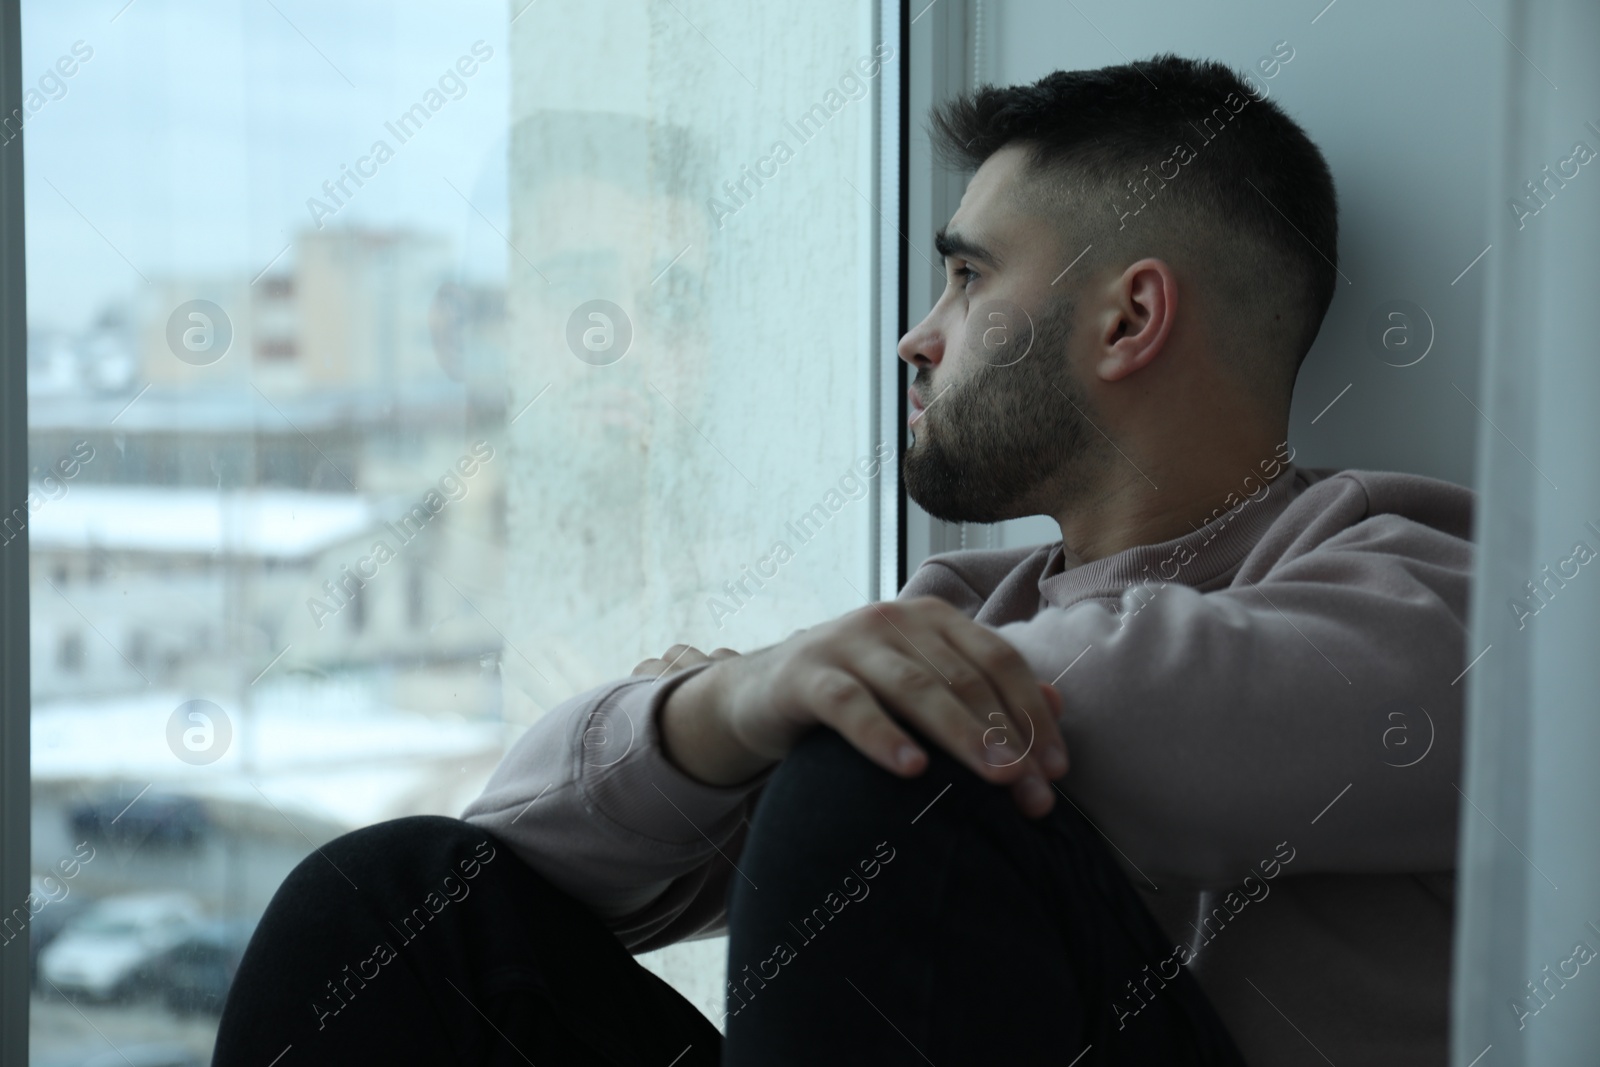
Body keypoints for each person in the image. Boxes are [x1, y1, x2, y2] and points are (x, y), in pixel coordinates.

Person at [214, 53, 1472, 1066]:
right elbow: (516, 845)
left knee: (894, 764)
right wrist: (733, 704)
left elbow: (1151, 705)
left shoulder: (1435, 591)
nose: (916, 339)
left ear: (1129, 318)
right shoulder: (964, 610)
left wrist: (806, 696)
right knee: (390, 903)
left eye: (967, 277)